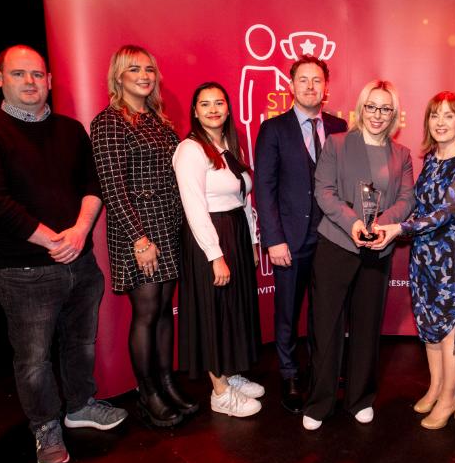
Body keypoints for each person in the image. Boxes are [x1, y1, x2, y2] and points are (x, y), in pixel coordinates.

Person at [0, 45, 128, 463]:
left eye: (37, 74)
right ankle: (45, 425)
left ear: (50, 80)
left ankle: (80, 405)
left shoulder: (71, 130)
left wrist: (79, 232)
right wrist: (53, 240)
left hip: (80, 261)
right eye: (19, 75)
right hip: (24, 270)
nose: (30, 82)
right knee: (33, 358)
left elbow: (93, 185)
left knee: (81, 343)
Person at [90, 45, 195, 427]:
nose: (144, 75)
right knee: (147, 312)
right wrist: (139, 240)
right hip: (139, 231)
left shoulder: (158, 119)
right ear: (119, 76)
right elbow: (112, 188)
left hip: (168, 223)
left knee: (166, 309)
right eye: (134, 69)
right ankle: (147, 392)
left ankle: (167, 383)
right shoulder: (109, 122)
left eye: (149, 69)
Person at [302, 79, 415, 430]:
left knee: (366, 327)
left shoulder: (402, 154)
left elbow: (407, 200)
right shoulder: (336, 144)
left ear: (394, 114)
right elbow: (324, 191)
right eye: (371, 106)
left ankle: (360, 397)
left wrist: (382, 226)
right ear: (360, 108)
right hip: (337, 243)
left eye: (385, 108)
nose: (378, 115)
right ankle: (319, 402)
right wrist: (353, 224)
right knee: (326, 325)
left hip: (377, 250)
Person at [374, 91, 455, 430]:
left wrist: (399, 228)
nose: (441, 122)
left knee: (450, 330)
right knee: (430, 328)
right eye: (435, 115)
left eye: (449, 115)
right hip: (423, 255)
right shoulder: (433, 158)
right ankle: (436, 388)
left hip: (450, 257)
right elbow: (419, 206)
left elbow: (447, 212)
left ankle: (451, 397)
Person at [254, 55, 348, 413]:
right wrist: (273, 238)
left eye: (317, 80)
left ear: (326, 87)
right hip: (290, 240)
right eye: (303, 80)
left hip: (333, 238)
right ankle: (290, 373)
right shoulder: (274, 129)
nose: (311, 86)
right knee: (288, 312)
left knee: (326, 311)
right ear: (291, 86)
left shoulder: (339, 127)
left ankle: (322, 370)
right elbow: (264, 187)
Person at [174, 82, 264, 417]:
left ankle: (229, 373)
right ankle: (219, 391)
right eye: (205, 104)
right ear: (195, 111)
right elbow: (194, 206)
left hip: (235, 232)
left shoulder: (229, 146)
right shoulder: (190, 150)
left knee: (230, 308)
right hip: (208, 237)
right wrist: (215, 255)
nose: (213, 109)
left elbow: (243, 199)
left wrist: (252, 242)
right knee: (212, 310)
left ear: (228, 108)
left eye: (219, 103)